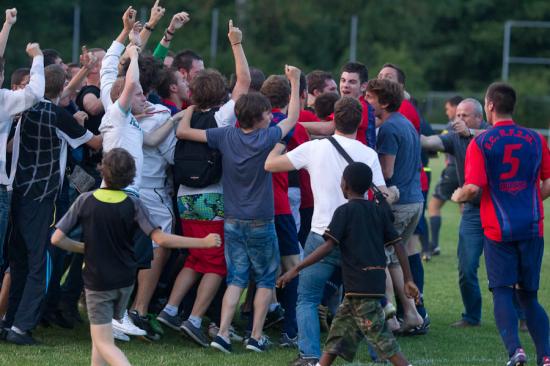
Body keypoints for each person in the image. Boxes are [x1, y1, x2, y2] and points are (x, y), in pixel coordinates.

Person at [51, 148, 221, 366]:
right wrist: (203, 242)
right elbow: (161, 240)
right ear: (131, 177)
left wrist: (85, 248)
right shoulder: (133, 204)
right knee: (101, 339)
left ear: (102, 170)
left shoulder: (85, 200)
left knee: (103, 342)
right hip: (124, 282)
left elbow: (57, 239)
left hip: (98, 282)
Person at [177, 65, 300, 353]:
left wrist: (192, 105)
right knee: (266, 277)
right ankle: (256, 336)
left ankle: (222, 333)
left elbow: (184, 131)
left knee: (236, 278)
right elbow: (293, 116)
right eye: (267, 114)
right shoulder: (266, 137)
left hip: (232, 220)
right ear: (258, 119)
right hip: (261, 220)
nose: (271, 117)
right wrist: (294, 82)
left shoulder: (224, 136)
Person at [265, 96, 388, 365]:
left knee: (307, 297)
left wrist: (279, 141)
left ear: (333, 119)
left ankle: (308, 355)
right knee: (363, 298)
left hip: (321, 233)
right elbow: (384, 194)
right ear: (360, 122)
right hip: (357, 238)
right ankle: (379, 354)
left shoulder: (315, 148)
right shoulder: (368, 154)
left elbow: (271, 165)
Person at [156, 19, 251, 348]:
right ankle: (195, 319)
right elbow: (244, 81)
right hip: (212, 196)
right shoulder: (223, 115)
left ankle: (170, 309)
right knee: (217, 262)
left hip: (184, 196)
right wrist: (236, 44)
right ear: (220, 94)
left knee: (196, 257)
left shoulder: (186, 113)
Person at [278, 162, 417, 366]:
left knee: (382, 339)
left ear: (344, 184)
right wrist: (408, 279)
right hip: (367, 284)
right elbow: (398, 246)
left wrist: (295, 270)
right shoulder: (378, 211)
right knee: (338, 335)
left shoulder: (344, 212)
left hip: (360, 286)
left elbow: (326, 248)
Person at [4, 61, 102, 345]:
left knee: (18, 259)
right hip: (43, 195)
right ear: (61, 91)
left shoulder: (23, 108)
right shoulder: (58, 114)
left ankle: (10, 320)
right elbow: (94, 144)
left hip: (17, 190)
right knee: (39, 262)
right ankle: (22, 327)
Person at [452, 82, 550, 366]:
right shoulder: (535, 138)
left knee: (503, 292)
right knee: (529, 296)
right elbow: (547, 181)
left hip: (498, 229)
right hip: (532, 225)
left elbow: (473, 188)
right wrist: (530, 200)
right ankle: (545, 355)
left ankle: (516, 351)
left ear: (490, 106)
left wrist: (457, 194)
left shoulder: (481, 143)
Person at [421, 98, 488, 327]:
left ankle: (522, 317)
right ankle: (472, 316)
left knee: (508, 270)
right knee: (466, 267)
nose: (457, 119)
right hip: (471, 211)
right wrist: (405, 128)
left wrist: (471, 131)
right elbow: (430, 142)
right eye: (457, 115)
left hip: (497, 209)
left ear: (479, 118)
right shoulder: (454, 137)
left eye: (464, 115)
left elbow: (499, 135)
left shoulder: (489, 133)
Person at [365, 78, 425, 334]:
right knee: (394, 262)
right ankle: (411, 315)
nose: (367, 102)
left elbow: (387, 171)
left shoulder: (389, 129)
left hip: (397, 204)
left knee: (382, 259)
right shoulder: (406, 123)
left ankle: (391, 318)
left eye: (370, 98)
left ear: (385, 102)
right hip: (415, 201)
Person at [427, 95, 463, 256]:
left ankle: (434, 245)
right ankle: (470, 244)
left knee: (434, 206)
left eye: (448, 108)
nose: (447, 112)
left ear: (456, 107)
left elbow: (440, 144)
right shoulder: (474, 125)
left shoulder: (452, 125)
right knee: (465, 209)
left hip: (452, 171)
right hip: (466, 172)